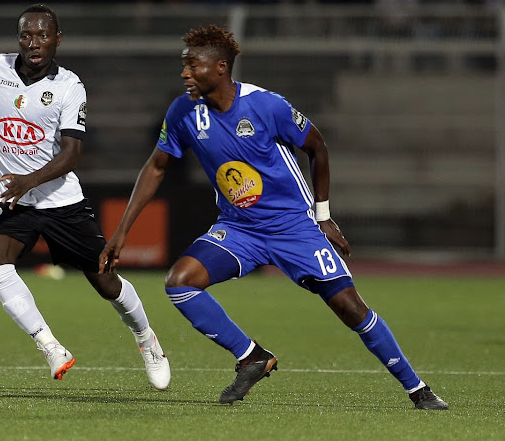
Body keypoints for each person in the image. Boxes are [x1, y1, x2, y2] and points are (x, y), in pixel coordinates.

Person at [100, 24, 448, 409]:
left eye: (192, 65)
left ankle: (418, 390)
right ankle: (252, 356)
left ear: (220, 68)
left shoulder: (266, 106)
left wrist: (323, 215)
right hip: (238, 228)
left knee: (350, 308)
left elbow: (317, 147)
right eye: (183, 65)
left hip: (293, 227)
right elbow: (157, 167)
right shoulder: (184, 112)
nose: (184, 73)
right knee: (180, 283)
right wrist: (122, 231)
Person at [0, 4, 170, 390]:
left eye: (43, 36)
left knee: (106, 282)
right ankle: (50, 346)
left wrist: (29, 180)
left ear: (58, 39)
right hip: (12, 199)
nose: (34, 43)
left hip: (61, 202)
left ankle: (147, 340)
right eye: (26, 35)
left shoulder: (69, 87)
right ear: (18, 38)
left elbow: (72, 154)